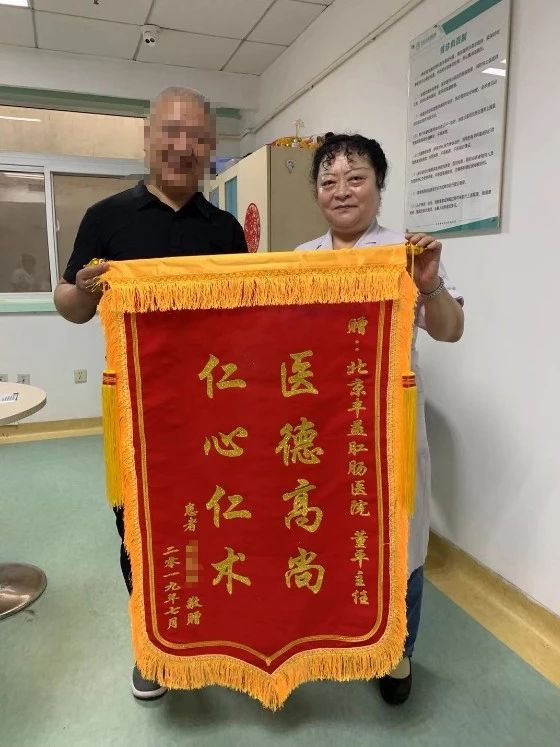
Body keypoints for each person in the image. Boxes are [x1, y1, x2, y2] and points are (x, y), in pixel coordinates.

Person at [54, 87, 248, 700]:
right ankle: (154, 642)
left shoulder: (225, 230)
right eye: (171, 131)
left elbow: (244, 321)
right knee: (139, 529)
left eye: (197, 136)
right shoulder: (106, 217)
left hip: (211, 414)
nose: (183, 146)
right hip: (136, 414)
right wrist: (84, 289)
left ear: (211, 148)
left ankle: (204, 628)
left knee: (208, 523)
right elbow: (69, 304)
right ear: (148, 139)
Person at [298, 133, 464, 705]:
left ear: (379, 186)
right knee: (324, 531)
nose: (342, 191)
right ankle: (334, 634)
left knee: (399, 538)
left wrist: (429, 284)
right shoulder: (300, 260)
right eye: (329, 180)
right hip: (318, 425)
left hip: (387, 425)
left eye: (356, 178)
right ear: (316, 192)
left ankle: (397, 652)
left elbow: (450, 330)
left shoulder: (406, 251)